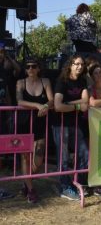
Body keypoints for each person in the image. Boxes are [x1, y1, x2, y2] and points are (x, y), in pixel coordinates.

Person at [16, 58, 54, 203]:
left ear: (38, 68)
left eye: (34, 66)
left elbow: (51, 100)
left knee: (38, 161)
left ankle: (26, 181)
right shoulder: (20, 83)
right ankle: (30, 189)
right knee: (25, 157)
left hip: (40, 124)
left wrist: (45, 105)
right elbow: (19, 101)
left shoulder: (45, 81)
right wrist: (38, 106)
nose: (30, 69)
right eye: (27, 67)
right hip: (23, 123)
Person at [53, 54, 89, 201]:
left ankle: (78, 183)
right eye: (76, 64)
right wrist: (77, 105)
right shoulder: (62, 81)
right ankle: (64, 186)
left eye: (81, 64)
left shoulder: (83, 81)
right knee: (63, 157)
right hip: (60, 124)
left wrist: (69, 104)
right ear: (70, 65)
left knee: (84, 154)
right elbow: (57, 106)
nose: (79, 66)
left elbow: (86, 104)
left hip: (75, 124)